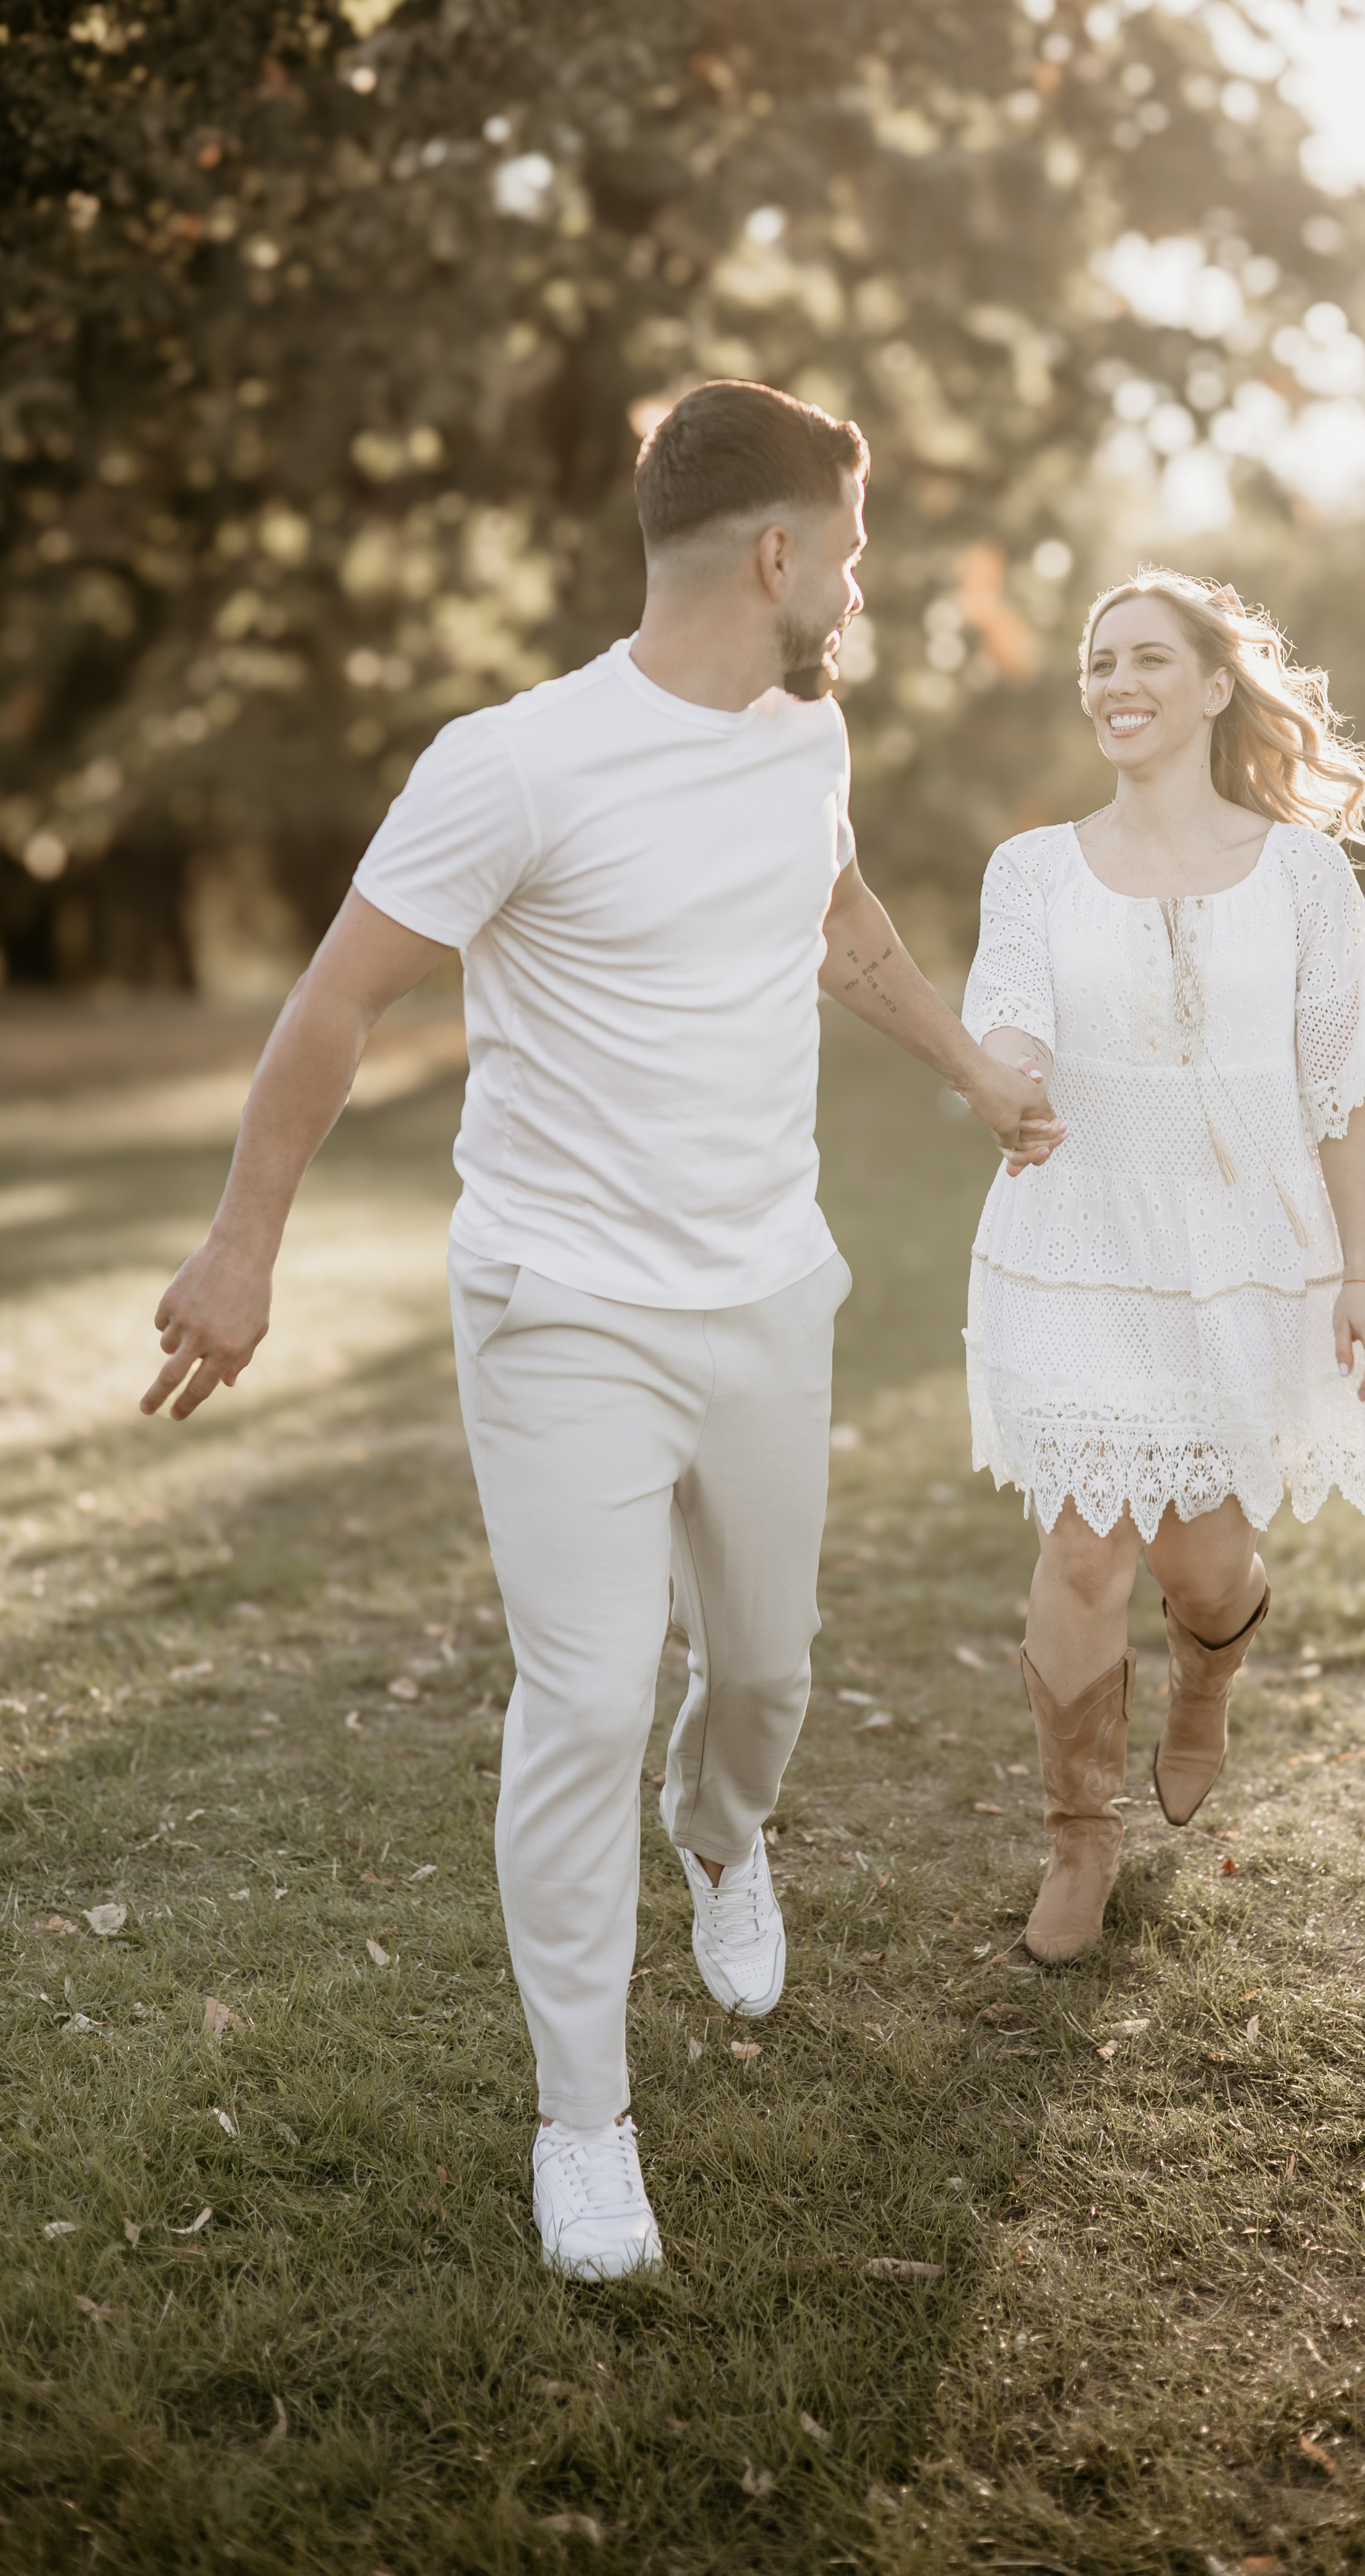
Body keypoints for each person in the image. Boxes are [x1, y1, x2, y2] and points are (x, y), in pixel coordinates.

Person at [140, 380, 1064, 2278]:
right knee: (582, 1692)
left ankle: (721, 1832)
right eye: (856, 550)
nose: (866, 585)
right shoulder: (513, 762)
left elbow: (838, 916)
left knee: (771, 1675)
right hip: (562, 1305)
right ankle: (586, 2127)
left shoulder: (806, 730)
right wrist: (243, 1247)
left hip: (765, 1288)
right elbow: (335, 1004)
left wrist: (972, 1066)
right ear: (778, 553)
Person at [961, 569, 1365, 1964]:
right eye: (1097, 663)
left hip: (1240, 1255)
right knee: (1086, 1537)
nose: (1114, 683)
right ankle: (1075, 1837)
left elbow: (1340, 1085)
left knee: (1203, 1564)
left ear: (1215, 686)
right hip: (1078, 1240)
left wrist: (1361, 1275)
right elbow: (1013, 1023)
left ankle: (1206, 1672)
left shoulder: (1299, 873)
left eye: (1147, 657)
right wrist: (1011, 1082)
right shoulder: (1030, 867)